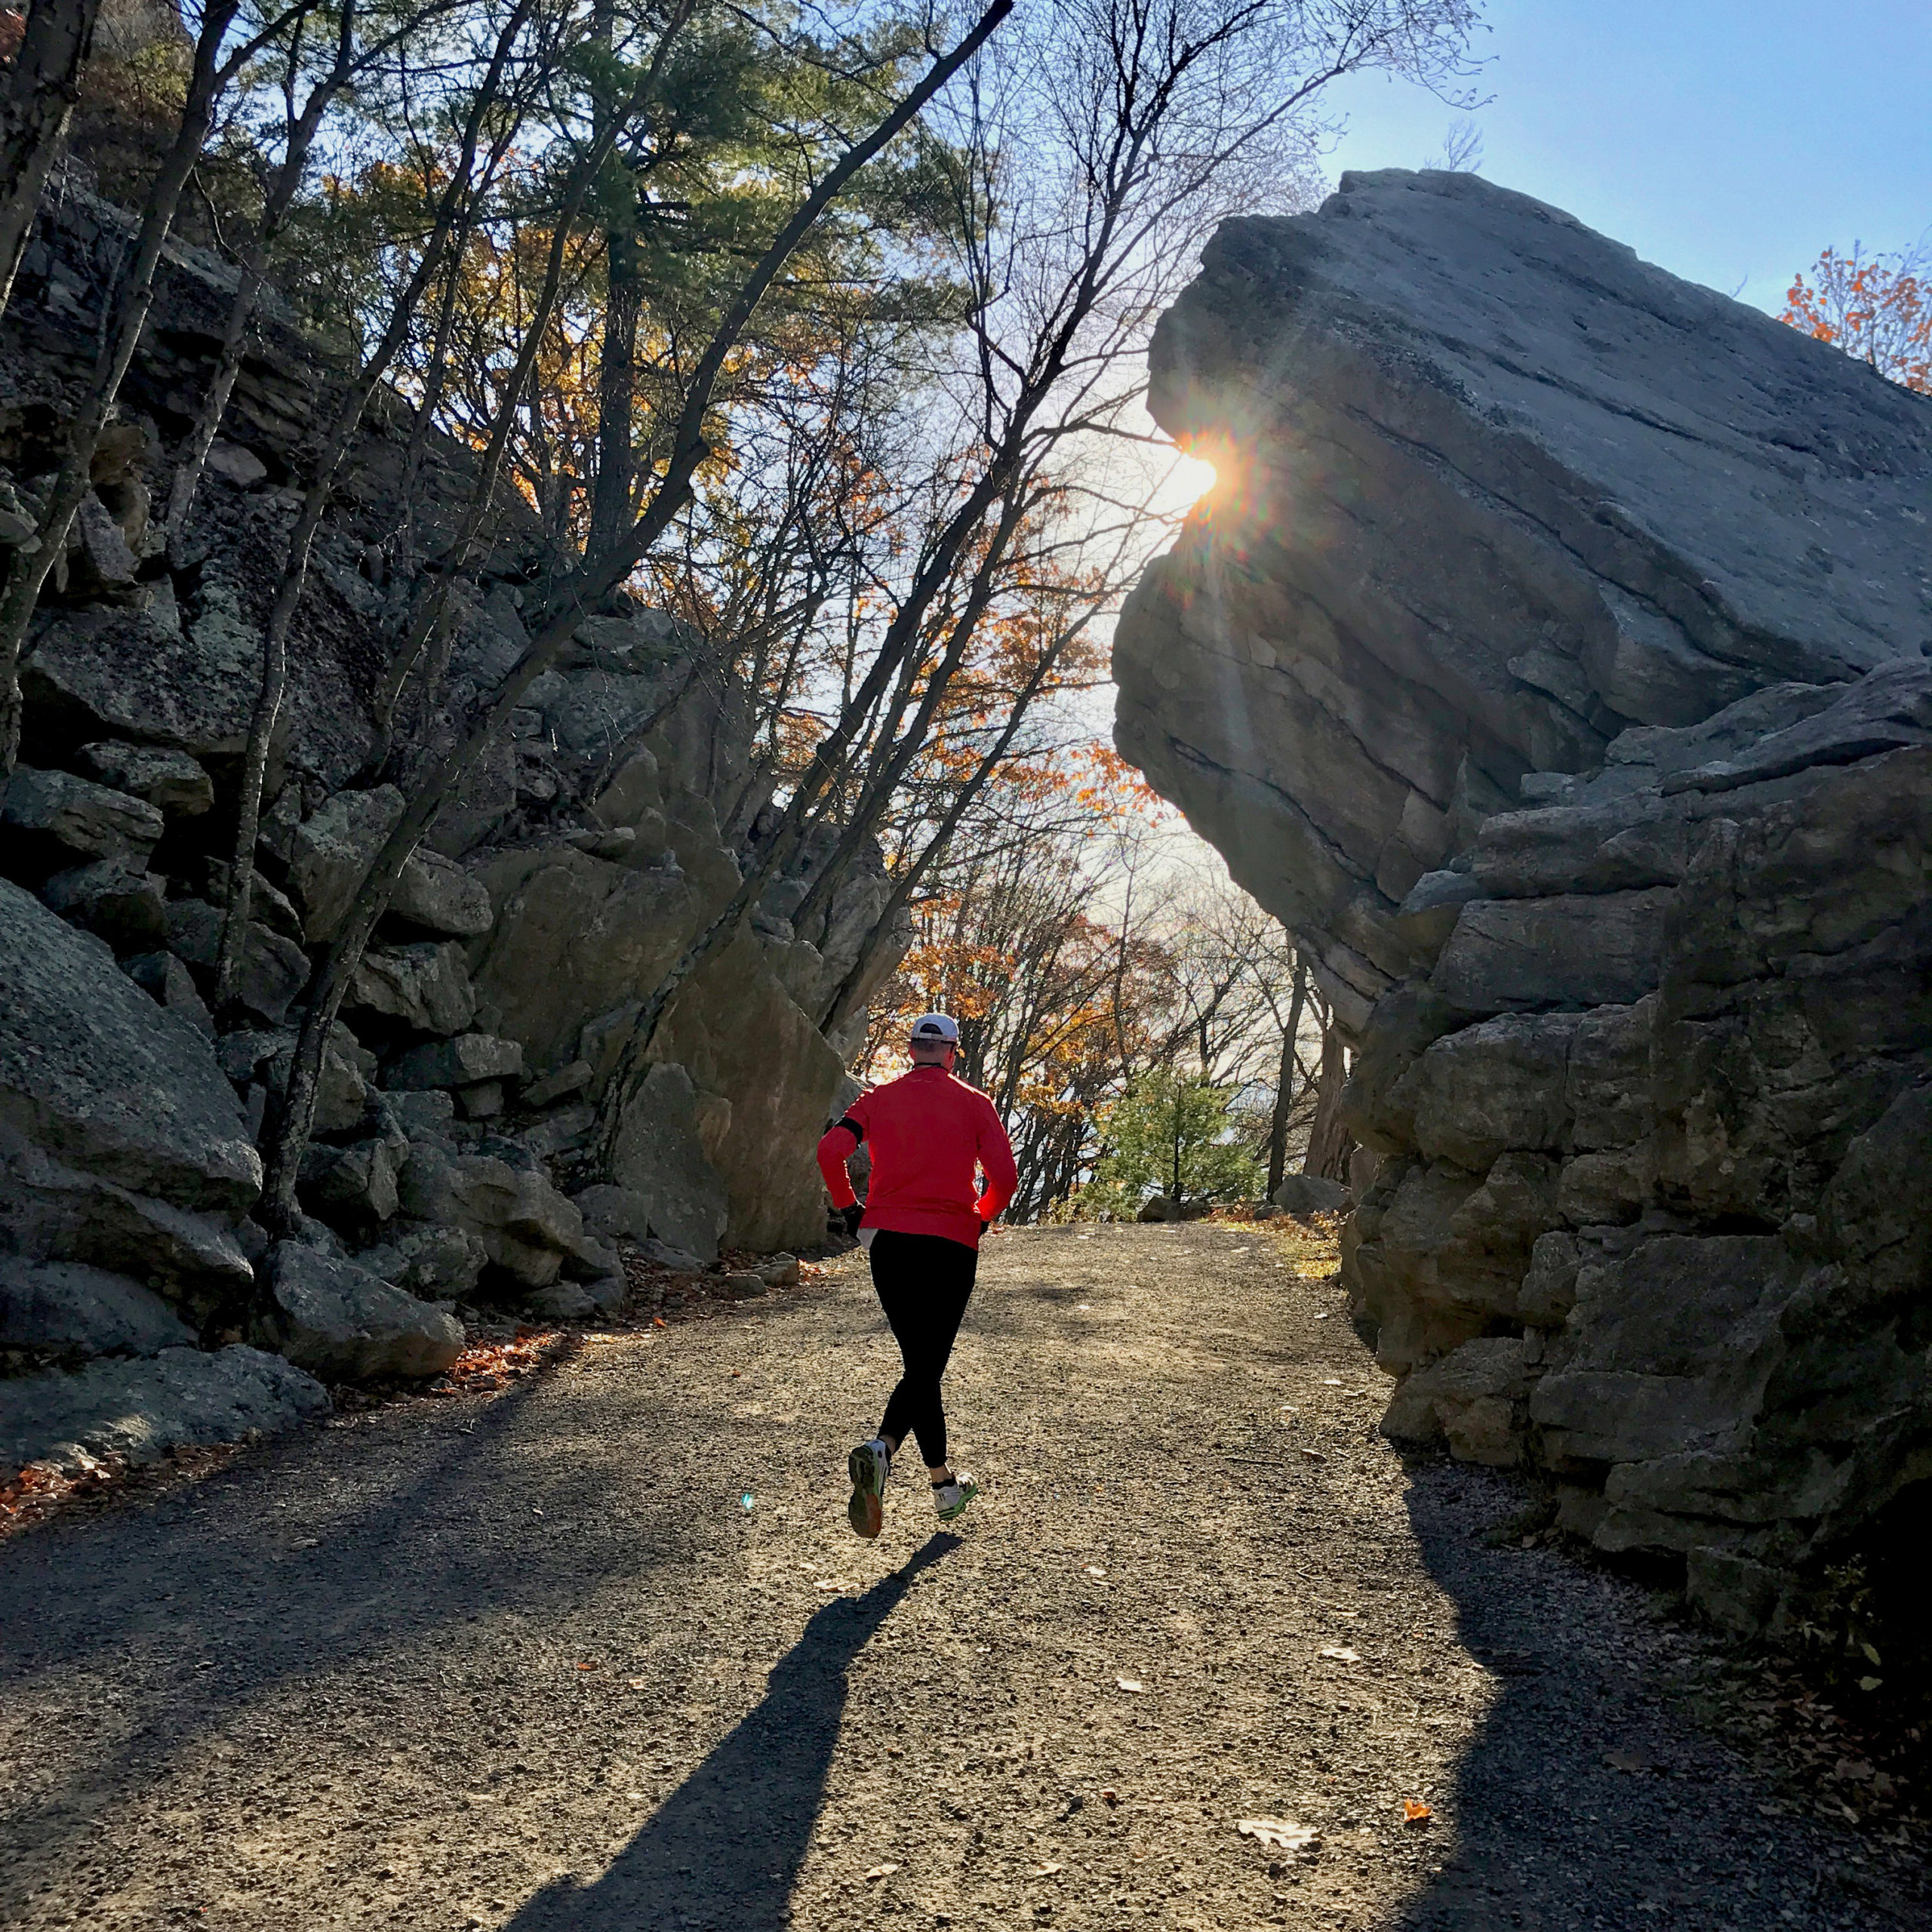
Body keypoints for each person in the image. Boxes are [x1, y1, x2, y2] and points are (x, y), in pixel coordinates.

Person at [817, 1012, 1018, 1538]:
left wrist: (852, 1211)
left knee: (920, 1367)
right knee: (926, 1367)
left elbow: (828, 1151)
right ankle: (881, 1450)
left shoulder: (877, 1101)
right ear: (953, 1052)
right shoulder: (976, 1104)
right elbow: (1006, 1179)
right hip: (951, 1243)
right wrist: (980, 1218)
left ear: (912, 1051)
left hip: (889, 1243)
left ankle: (944, 1486)